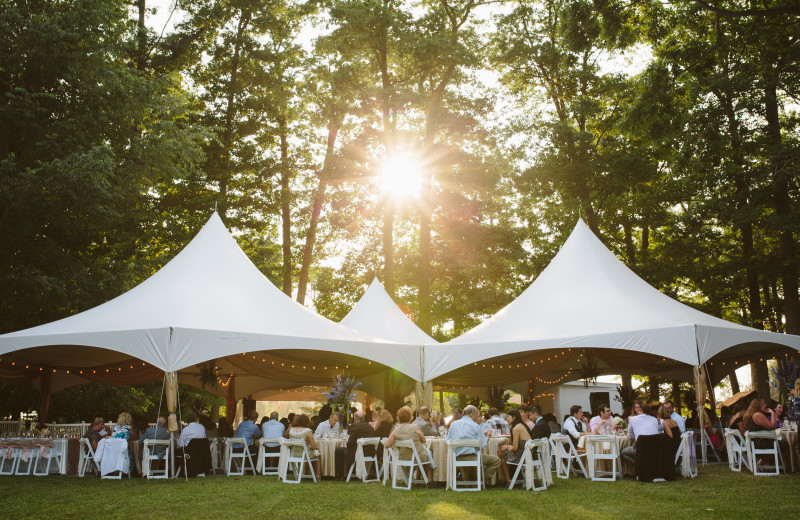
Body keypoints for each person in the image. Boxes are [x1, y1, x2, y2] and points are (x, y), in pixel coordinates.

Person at [446, 404, 501, 486]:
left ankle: (468, 482)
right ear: (472, 415)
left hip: (456, 457)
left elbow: (447, 441)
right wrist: (488, 437)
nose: (478, 418)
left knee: (466, 457)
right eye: (477, 415)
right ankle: (478, 478)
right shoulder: (476, 426)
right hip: (473, 457)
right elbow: (482, 445)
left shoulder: (453, 424)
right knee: (496, 460)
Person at [384, 406, 433, 483]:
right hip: (417, 457)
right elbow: (424, 440)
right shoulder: (415, 427)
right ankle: (429, 479)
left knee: (422, 454)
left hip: (403, 457)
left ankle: (414, 477)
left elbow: (386, 445)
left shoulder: (396, 429)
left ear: (398, 418)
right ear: (410, 417)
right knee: (430, 453)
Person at [743, 398, 788, 465]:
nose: (765, 405)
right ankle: (776, 467)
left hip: (754, 443)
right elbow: (772, 427)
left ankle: (764, 466)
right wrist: (772, 413)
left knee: (779, 445)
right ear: (758, 405)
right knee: (785, 444)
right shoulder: (757, 415)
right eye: (763, 404)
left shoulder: (749, 415)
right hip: (760, 444)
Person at [335, 410, 375, 480]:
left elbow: (350, 443)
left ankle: (341, 475)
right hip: (370, 452)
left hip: (359, 453)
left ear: (355, 419)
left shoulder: (355, 426)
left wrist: (348, 445)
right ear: (363, 418)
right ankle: (350, 472)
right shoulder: (370, 427)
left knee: (339, 450)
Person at [498, 409, 532, 482]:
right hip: (528, 452)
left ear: (514, 417)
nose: (506, 418)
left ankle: (508, 478)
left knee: (501, 453)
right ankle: (511, 477)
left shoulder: (516, 428)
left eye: (508, 417)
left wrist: (507, 447)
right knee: (502, 451)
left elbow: (515, 448)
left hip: (522, 455)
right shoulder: (522, 425)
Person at [286, 414, 320, 478]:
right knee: (317, 454)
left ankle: (303, 472)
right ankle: (317, 474)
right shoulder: (308, 431)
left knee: (305, 452)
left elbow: (290, 445)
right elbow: (313, 447)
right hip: (305, 455)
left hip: (294, 454)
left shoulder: (291, 430)